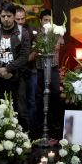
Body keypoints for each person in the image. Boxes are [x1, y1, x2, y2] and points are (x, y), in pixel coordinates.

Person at [0, 0, 31, 131]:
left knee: (21, 111)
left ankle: (24, 141)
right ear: (0, 16)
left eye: (9, 16)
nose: (5, 19)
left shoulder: (23, 32)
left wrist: (9, 69)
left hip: (16, 76)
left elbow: (24, 55)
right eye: (3, 16)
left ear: (14, 15)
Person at [35, 9, 63, 138]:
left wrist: (54, 40)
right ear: (41, 21)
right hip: (39, 68)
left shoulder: (56, 32)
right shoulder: (36, 33)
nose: (47, 22)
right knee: (40, 95)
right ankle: (41, 122)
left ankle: (55, 120)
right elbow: (35, 48)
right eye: (45, 20)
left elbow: (58, 45)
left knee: (55, 92)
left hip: (53, 67)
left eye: (49, 20)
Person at [15, 5, 37, 135]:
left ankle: (32, 132)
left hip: (31, 70)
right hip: (17, 72)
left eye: (23, 18)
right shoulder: (9, 32)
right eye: (18, 19)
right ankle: (21, 132)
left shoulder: (31, 30)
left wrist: (25, 59)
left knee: (32, 101)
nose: (21, 21)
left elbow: (36, 50)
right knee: (19, 102)